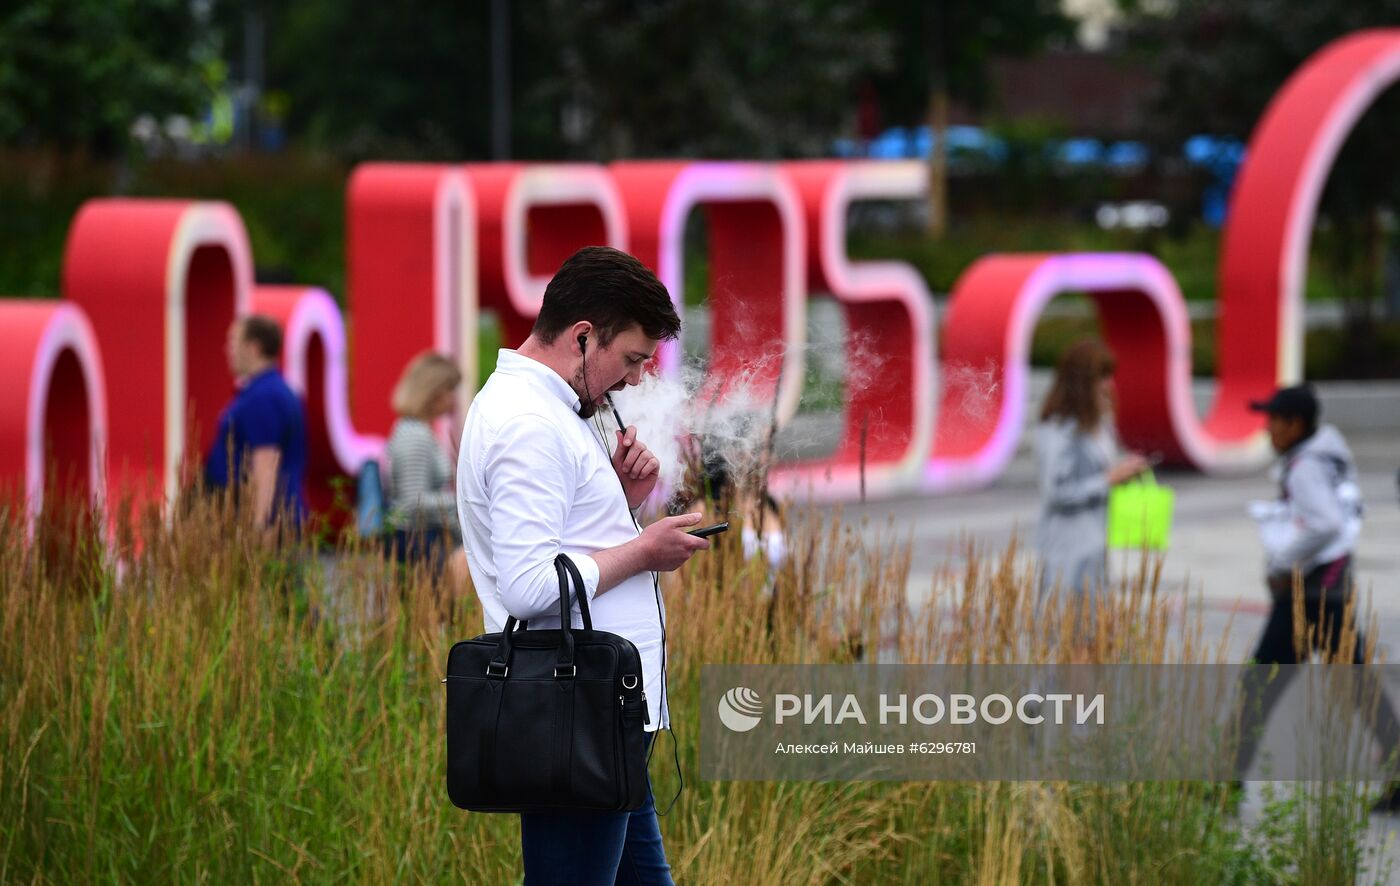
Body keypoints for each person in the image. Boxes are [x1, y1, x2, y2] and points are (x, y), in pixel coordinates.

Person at [456, 245, 708, 884]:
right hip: (575, 714)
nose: (633, 382)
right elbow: (528, 586)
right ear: (583, 336)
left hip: (601, 713)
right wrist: (645, 548)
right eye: (630, 360)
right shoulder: (529, 425)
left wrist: (620, 504)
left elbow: (557, 544)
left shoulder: (548, 413)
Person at [1232, 384, 1400, 809]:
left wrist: (1280, 565)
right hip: (1333, 590)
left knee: (1258, 685)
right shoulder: (1330, 455)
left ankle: (1223, 781)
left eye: (1274, 420)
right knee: (1358, 686)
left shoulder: (1306, 465)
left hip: (1309, 596)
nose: (1268, 429)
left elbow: (1324, 524)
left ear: (1296, 425)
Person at [1033, 340, 1148, 641]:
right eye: (1102, 376)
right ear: (1082, 382)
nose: (1109, 384)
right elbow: (1056, 492)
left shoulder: (1098, 424)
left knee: (1094, 640)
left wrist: (1123, 471)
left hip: (1095, 543)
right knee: (1074, 639)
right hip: (1069, 548)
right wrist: (1108, 479)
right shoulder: (1060, 429)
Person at [204, 315, 308, 529]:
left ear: (253, 347)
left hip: (264, 519)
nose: (227, 349)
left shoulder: (264, 396)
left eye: (233, 342)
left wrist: (260, 525)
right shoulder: (270, 390)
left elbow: (265, 462)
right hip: (272, 514)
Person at [385, 352, 469, 589]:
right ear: (434, 392)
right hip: (419, 542)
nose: (454, 398)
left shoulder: (411, 428)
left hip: (415, 539)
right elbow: (414, 501)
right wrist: (461, 501)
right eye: (451, 389)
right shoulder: (416, 436)